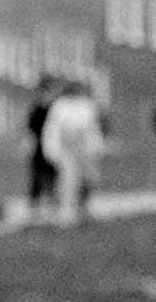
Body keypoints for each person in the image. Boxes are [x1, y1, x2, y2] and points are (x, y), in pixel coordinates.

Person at [42, 80, 105, 226]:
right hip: (66, 149)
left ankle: (84, 208)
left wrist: (96, 147)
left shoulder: (87, 105)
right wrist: (51, 150)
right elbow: (52, 129)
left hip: (85, 148)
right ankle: (66, 212)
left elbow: (92, 128)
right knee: (68, 180)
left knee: (89, 179)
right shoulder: (59, 106)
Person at [26, 75, 60, 220]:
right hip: (39, 146)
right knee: (37, 176)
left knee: (53, 175)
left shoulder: (56, 107)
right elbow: (31, 127)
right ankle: (35, 207)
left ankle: (53, 205)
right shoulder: (37, 107)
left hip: (53, 145)